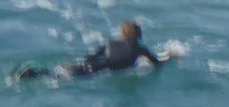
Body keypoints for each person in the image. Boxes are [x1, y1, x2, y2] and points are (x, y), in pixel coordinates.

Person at [18, 20, 162, 80]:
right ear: (139, 34)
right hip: (96, 71)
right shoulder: (141, 50)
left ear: (123, 33)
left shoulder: (109, 43)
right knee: (58, 78)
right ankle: (33, 73)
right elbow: (156, 63)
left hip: (88, 64)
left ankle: (33, 71)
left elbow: (90, 56)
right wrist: (171, 55)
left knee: (54, 72)